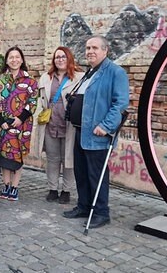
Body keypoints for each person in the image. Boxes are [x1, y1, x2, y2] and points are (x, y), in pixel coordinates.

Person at [62, 35, 129, 229]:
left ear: (105, 50)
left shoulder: (115, 73)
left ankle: (101, 212)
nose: (90, 51)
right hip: (80, 132)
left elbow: (121, 104)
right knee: (81, 172)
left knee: (96, 175)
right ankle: (84, 206)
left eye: (95, 48)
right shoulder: (89, 72)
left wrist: (106, 126)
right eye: (88, 48)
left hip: (97, 134)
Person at [0, 46, 39, 201]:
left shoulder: (30, 81)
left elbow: (33, 100)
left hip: (21, 125)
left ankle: (15, 187)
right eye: (11, 57)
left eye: (17, 57)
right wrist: (0, 120)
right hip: (3, 125)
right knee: (4, 156)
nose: (14, 60)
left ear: (21, 59)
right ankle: (6, 184)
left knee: (18, 155)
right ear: (7, 61)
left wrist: (21, 118)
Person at [37, 47, 84, 204]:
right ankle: (52, 189)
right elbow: (40, 101)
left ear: (69, 58)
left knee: (68, 159)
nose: (60, 59)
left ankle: (66, 190)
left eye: (63, 56)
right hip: (51, 124)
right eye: (57, 57)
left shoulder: (79, 77)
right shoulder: (46, 77)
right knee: (52, 159)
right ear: (53, 60)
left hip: (69, 125)